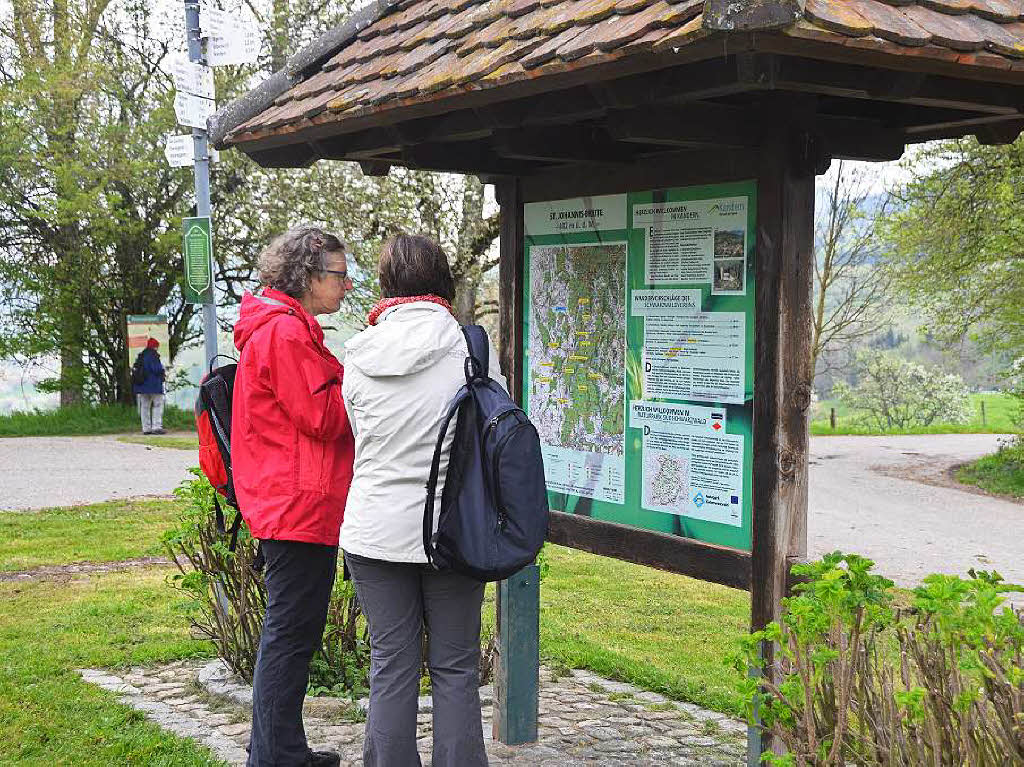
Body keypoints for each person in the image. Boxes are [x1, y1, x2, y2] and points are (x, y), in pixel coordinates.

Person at [340, 233, 505, 767]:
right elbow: (492, 430)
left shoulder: (358, 354)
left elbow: (359, 434)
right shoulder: (470, 348)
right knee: (456, 666)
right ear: (443, 281)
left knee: (391, 663)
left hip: (374, 529)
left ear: (387, 284)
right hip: (454, 530)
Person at [231, 225, 355, 767]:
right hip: (295, 505)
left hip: (293, 502)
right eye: (339, 275)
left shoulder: (290, 328)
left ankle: (280, 750)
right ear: (308, 276)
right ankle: (275, 758)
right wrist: (370, 388)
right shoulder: (284, 335)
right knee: (289, 636)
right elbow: (324, 417)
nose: (347, 286)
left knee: (293, 634)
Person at [133, 337, 166, 434]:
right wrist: (163, 371)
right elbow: (157, 369)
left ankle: (146, 428)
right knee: (157, 405)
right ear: (155, 346)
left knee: (145, 406)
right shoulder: (154, 356)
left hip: (141, 386)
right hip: (154, 385)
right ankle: (156, 427)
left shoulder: (141, 356)